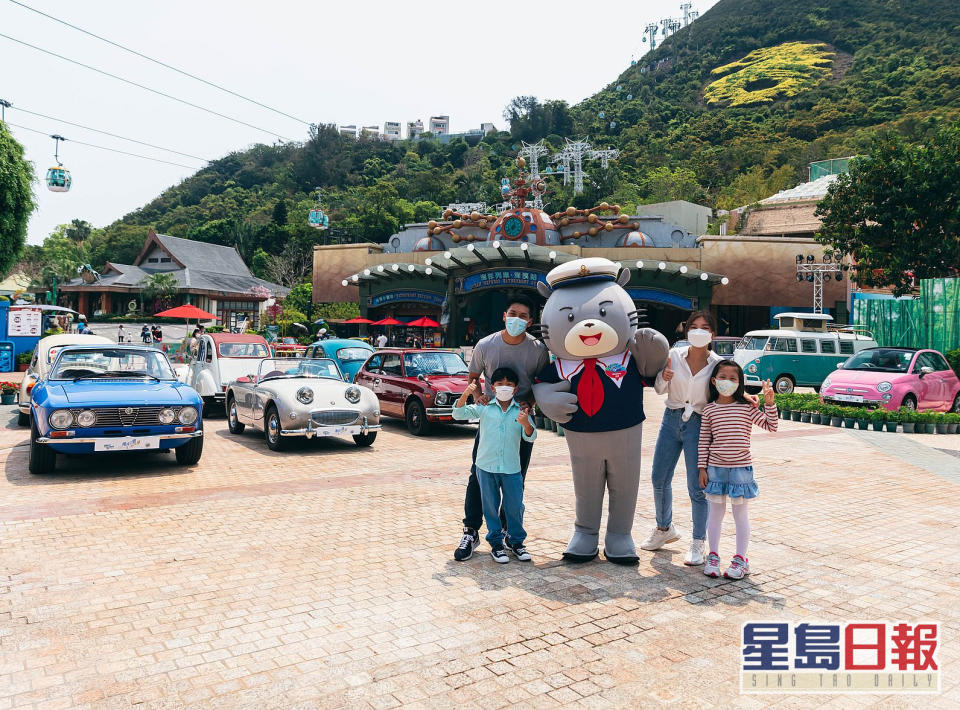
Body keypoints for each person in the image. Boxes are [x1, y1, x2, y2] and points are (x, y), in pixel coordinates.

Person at [453, 295, 550, 561]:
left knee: (515, 480)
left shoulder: (538, 349)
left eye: (522, 316)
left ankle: (510, 533)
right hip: (492, 421)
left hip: (519, 422)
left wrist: (528, 407)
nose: (516, 319)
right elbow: (473, 376)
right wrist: (477, 398)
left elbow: (541, 383)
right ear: (504, 316)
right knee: (478, 475)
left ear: (530, 322)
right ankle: (471, 530)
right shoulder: (486, 345)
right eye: (512, 313)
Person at [642, 311, 722, 565]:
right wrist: (663, 378)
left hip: (699, 423)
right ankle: (664, 529)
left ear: (713, 334)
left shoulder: (717, 364)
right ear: (686, 332)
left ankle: (699, 542)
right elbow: (658, 389)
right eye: (693, 327)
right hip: (671, 417)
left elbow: (725, 396)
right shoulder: (673, 356)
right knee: (659, 476)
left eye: (704, 327)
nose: (698, 331)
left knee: (697, 486)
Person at [697, 362, 778, 579]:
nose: (728, 381)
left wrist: (769, 403)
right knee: (715, 514)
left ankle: (741, 560)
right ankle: (712, 556)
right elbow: (704, 440)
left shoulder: (747, 408)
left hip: (741, 469)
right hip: (715, 469)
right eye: (723, 377)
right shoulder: (709, 410)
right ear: (714, 381)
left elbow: (771, 426)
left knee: (740, 515)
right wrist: (701, 468)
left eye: (733, 378)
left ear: (740, 383)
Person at [452, 369, 536, 563]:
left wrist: (526, 424)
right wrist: (466, 394)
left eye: (509, 384)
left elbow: (530, 436)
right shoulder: (485, 407)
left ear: (515, 389)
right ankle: (496, 544)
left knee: (514, 506)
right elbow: (459, 414)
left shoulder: (520, 411)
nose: (504, 387)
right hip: (486, 466)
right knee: (490, 507)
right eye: (499, 384)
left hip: (511, 468)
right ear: (492, 387)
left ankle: (516, 542)